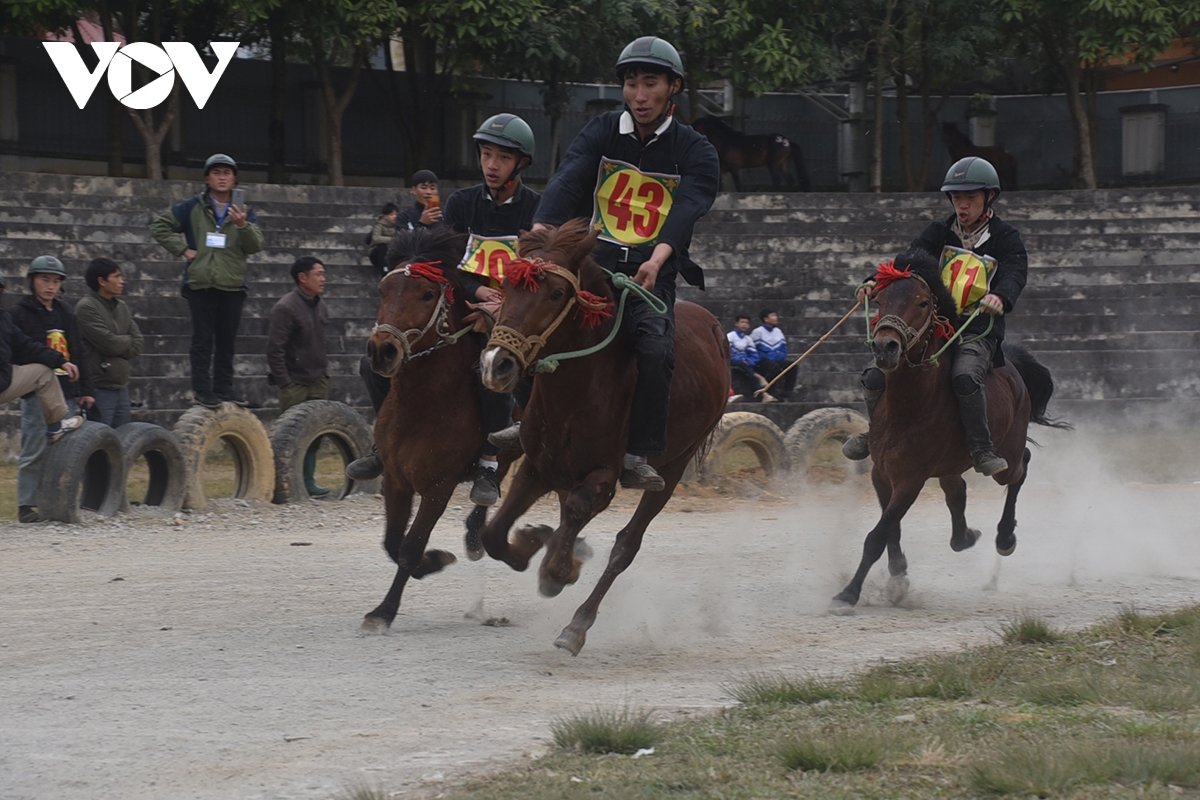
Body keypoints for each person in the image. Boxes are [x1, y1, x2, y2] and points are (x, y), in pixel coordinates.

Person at [521, 36, 720, 491]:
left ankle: (638, 452)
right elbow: (569, 177)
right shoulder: (602, 130)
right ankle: (526, 421)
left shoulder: (696, 150)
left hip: (651, 273)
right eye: (631, 84)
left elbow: (688, 207)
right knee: (527, 322)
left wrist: (658, 259)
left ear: (673, 87)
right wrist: (540, 231)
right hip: (593, 266)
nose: (640, 95)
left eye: (651, 83)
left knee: (655, 351)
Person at [346, 114, 540, 508]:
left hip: (513, 316)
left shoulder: (537, 208)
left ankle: (488, 463)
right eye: (486, 154)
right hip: (461, 306)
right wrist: (478, 292)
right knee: (371, 365)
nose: (491, 165)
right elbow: (445, 264)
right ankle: (382, 443)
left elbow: (538, 273)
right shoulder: (462, 202)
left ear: (520, 163)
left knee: (491, 369)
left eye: (503, 157)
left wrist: (499, 305)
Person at [842, 156, 1028, 476]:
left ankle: (980, 448)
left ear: (989, 197)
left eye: (970, 198)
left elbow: (1015, 272)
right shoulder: (939, 232)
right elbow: (906, 262)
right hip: (938, 325)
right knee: (875, 375)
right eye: (956, 198)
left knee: (965, 376)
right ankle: (875, 433)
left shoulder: (1006, 237)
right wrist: (874, 281)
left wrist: (1001, 295)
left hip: (978, 328)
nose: (962, 205)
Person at [150, 152, 265, 409]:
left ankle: (224, 388)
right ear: (207, 179)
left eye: (227, 173)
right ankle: (202, 390)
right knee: (202, 340)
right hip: (201, 282)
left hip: (232, 283)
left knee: (226, 341)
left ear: (234, 179)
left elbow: (256, 245)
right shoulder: (192, 206)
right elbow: (159, 226)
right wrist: (183, 250)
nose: (222, 178)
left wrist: (242, 225)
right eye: (216, 173)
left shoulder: (244, 210)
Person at [5, 256, 88, 523]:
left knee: (67, 452)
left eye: (56, 281)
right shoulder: (18, 313)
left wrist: (86, 389)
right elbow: (22, 350)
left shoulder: (66, 312)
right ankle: (27, 504)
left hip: (66, 388)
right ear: (32, 281)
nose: (50, 286)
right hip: (36, 392)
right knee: (34, 448)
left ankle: (62, 503)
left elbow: (78, 350)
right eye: (44, 280)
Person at [267, 256, 331, 496]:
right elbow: (275, 349)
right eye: (318, 274)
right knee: (290, 435)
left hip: (318, 379)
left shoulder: (321, 305)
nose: (323, 279)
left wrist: (324, 374)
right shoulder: (285, 307)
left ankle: (308, 481)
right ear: (302, 277)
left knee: (314, 435)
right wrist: (285, 382)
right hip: (295, 382)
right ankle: (284, 483)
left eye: (324, 274)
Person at [75, 257, 143, 428]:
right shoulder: (86, 307)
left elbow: (138, 344)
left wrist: (122, 342)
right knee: (100, 437)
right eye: (117, 276)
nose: (122, 281)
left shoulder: (122, 307)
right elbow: (109, 344)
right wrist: (127, 340)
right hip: (100, 386)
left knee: (122, 438)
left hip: (121, 385)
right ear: (102, 281)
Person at [751, 309, 795, 402]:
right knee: (773, 366)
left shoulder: (778, 331)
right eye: (773, 315)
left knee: (792, 365)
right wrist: (769, 358)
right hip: (762, 361)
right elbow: (754, 350)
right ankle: (769, 391)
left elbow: (783, 349)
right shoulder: (757, 332)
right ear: (766, 319)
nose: (776, 318)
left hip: (776, 359)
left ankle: (787, 392)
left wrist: (778, 357)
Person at [727, 315, 765, 402]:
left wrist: (749, 361)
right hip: (732, 361)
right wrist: (741, 359)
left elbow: (754, 354)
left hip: (744, 362)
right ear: (736, 323)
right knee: (741, 364)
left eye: (746, 323)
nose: (744, 325)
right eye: (742, 322)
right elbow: (727, 353)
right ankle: (760, 384)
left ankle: (762, 393)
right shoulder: (730, 337)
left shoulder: (748, 339)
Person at [367, 203, 399, 273]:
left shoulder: (398, 225)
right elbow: (376, 238)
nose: (394, 217)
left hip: (393, 253)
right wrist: (392, 239)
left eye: (396, 214)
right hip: (377, 254)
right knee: (382, 247)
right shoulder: (379, 225)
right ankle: (384, 270)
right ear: (385, 216)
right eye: (391, 215)